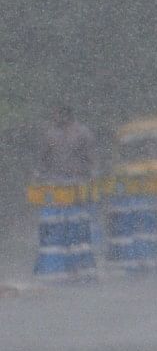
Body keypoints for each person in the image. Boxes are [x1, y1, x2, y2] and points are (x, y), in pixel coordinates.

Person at [34, 104, 100, 282]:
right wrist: (39, 177)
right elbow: (42, 160)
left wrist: (92, 177)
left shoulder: (82, 133)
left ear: (66, 115)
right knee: (55, 228)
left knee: (76, 228)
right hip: (55, 188)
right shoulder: (49, 135)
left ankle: (79, 266)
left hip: (77, 187)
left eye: (57, 115)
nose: (54, 118)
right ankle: (58, 266)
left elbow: (92, 158)